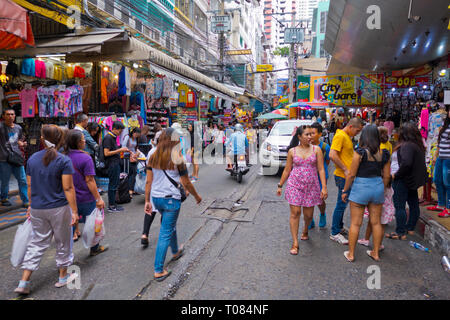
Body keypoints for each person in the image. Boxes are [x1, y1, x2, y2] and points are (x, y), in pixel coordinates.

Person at [14, 125, 78, 295]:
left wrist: (29, 205)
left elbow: (29, 185)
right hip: (59, 208)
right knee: (63, 241)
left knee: (37, 243)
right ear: (60, 140)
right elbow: (68, 188)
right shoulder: (63, 160)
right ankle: (63, 277)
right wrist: (74, 211)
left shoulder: (32, 159)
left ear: (42, 139)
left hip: (37, 207)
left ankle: (24, 281)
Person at [145, 128, 202, 281]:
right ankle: (158, 270)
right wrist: (197, 196)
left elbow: (148, 180)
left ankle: (175, 251)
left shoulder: (151, 154)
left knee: (169, 225)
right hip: (171, 199)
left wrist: (147, 200)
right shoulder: (177, 156)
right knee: (165, 232)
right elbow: (186, 182)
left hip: (156, 197)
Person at [341, 125, 390, 262]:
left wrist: (345, 190)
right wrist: (383, 189)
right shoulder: (384, 153)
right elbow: (387, 176)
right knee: (376, 223)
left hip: (361, 188)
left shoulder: (360, 152)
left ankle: (351, 254)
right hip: (377, 187)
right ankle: (375, 252)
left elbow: (351, 174)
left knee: (356, 223)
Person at [276, 125, 327, 255]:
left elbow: (321, 169)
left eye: (311, 134)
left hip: (311, 186)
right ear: (299, 137)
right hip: (294, 185)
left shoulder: (317, 150)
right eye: (307, 134)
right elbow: (287, 169)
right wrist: (280, 185)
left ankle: (305, 229)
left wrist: (324, 187)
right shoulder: (292, 151)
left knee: (308, 215)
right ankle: (295, 242)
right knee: (295, 213)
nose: (310, 137)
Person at [64, 130, 108, 255]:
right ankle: (94, 248)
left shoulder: (62, 156)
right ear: (78, 142)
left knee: (70, 227)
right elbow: (90, 180)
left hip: (69, 198)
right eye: (83, 139)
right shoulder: (85, 157)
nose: (85, 141)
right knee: (94, 223)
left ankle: (65, 256)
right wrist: (98, 198)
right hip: (85, 197)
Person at [386, 122, 427, 240]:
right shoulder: (417, 145)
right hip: (411, 180)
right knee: (413, 204)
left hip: (403, 180)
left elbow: (406, 163)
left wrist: (395, 175)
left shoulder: (407, 145)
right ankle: (410, 228)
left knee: (400, 206)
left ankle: (400, 232)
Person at [358, 126, 395, 251]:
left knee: (374, 220)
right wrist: (383, 187)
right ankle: (376, 245)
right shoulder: (386, 150)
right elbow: (387, 175)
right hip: (383, 189)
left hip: (376, 188)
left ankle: (371, 244)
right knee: (379, 221)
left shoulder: (369, 151)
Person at [329, 118, 364, 245]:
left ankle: (339, 227)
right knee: (341, 204)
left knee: (342, 203)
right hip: (343, 176)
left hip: (346, 176)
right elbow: (332, 155)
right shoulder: (340, 136)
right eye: (357, 130)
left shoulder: (345, 136)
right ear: (351, 127)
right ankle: (334, 232)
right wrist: (345, 169)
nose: (357, 133)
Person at [0, 107, 29, 207]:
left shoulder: (18, 128)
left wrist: (22, 144)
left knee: (22, 180)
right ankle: (4, 198)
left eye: (12, 114)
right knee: (5, 180)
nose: (10, 116)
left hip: (16, 157)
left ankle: (25, 200)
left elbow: (19, 140)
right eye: (7, 114)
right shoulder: (0, 127)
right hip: (4, 158)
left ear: (15, 116)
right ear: (3, 116)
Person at [428, 107, 450, 217]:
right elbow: (439, 142)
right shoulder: (445, 126)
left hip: (448, 159)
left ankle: (448, 208)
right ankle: (441, 204)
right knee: (437, 180)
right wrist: (435, 155)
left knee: (448, 183)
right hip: (441, 157)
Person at [102, 121, 129, 213]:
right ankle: (111, 206)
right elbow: (106, 153)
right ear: (114, 129)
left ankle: (113, 204)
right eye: (120, 131)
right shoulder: (108, 138)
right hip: (112, 164)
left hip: (115, 163)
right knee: (113, 185)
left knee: (115, 184)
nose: (120, 133)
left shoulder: (112, 137)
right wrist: (120, 150)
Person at [308, 122, 330, 229]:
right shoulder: (306, 146)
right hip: (309, 177)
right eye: (309, 133)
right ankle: (309, 218)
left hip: (321, 177)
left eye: (313, 133)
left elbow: (327, 161)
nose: (310, 135)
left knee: (320, 198)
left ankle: (322, 214)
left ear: (320, 134)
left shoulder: (325, 147)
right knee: (308, 198)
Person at [123, 127, 142, 197]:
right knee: (129, 173)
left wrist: (137, 153)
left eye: (138, 135)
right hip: (127, 157)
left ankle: (132, 189)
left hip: (134, 157)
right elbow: (123, 146)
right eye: (136, 134)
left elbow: (135, 148)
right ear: (133, 132)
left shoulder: (136, 138)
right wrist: (130, 152)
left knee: (134, 173)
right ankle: (128, 190)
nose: (137, 136)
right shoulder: (127, 137)